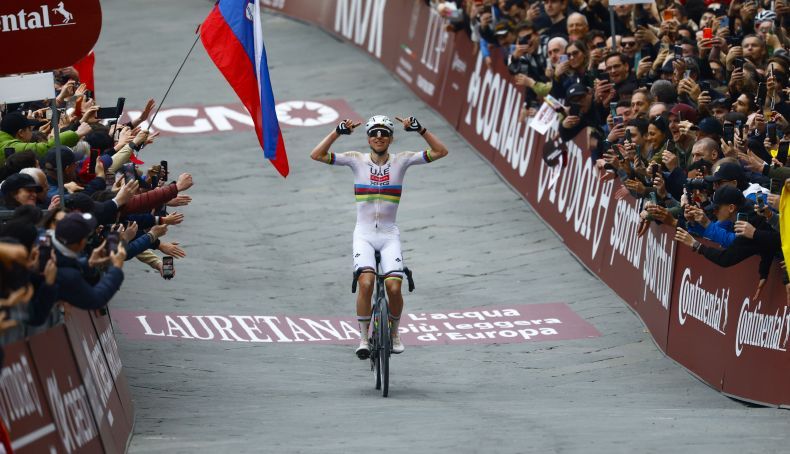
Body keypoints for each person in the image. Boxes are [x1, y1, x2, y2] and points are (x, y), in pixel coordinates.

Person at [310, 115, 448, 358]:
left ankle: (394, 333)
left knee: (394, 288)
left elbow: (441, 151)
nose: (379, 137)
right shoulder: (356, 160)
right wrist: (337, 132)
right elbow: (317, 155)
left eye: (384, 133)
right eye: (374, 133)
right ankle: (363, 338)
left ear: (391, 138)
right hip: (363, 234)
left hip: (388, 235)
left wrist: (420, 129)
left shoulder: (402, 160)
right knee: (366, 282)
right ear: (368, 138)